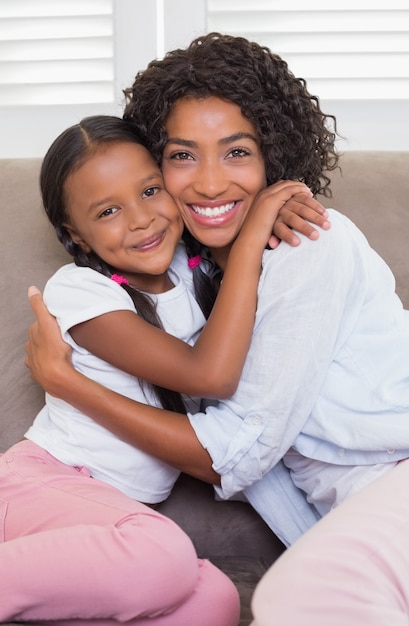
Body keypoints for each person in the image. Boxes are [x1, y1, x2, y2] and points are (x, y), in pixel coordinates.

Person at [26, 34, 405, 573]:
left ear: (274, 155)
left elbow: (236, 450)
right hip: (353, 522)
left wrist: (68, 384)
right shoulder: (182, 272)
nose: (208, 183)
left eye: (237, 152)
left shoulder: (309, 241)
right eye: (182, 155)